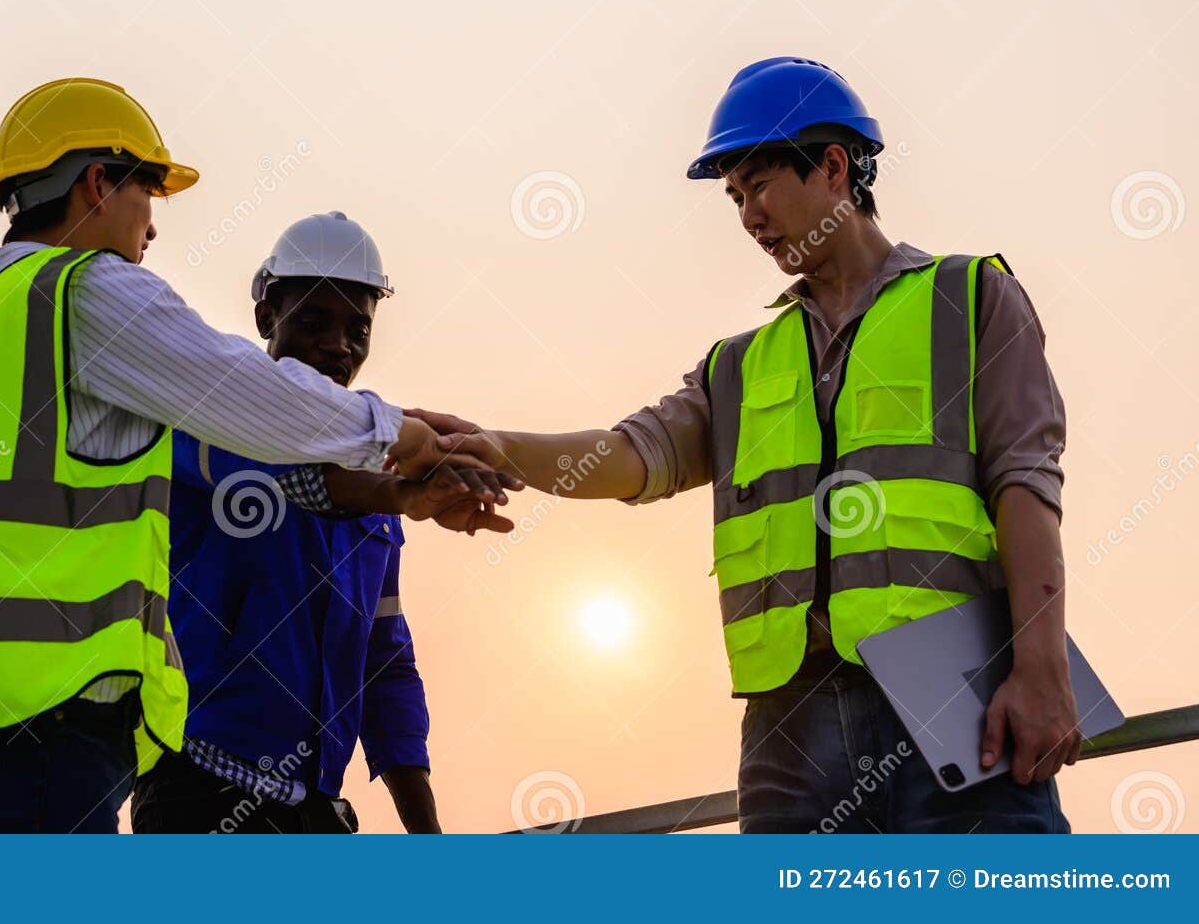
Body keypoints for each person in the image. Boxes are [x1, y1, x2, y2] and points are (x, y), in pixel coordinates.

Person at [422, 57, 1079, 833]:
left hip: (959, 701)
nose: (748, 217)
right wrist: (499, 446)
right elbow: (631, 456)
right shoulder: (738, 366)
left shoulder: (968, 300)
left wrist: (1043, 673)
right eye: (735, 197)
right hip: (791, 727)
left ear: (833, 168)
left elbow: (1024, 487)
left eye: (760, 185)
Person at [0, 78, 499, 833]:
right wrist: (399, 439)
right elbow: (243, 404)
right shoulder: (87, 292)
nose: (153, 228)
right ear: (99, 185)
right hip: (54, 735)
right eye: (150, 194)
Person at [131, 212, 516, 834]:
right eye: (313, 321)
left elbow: (385, 664)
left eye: (357, 327)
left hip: (314, 810)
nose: (340, 344)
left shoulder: (380, 508)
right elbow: (287, 478)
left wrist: (428, 835)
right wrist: (400, 489)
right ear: (266, 320)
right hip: (197, 789)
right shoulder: (207, 423)